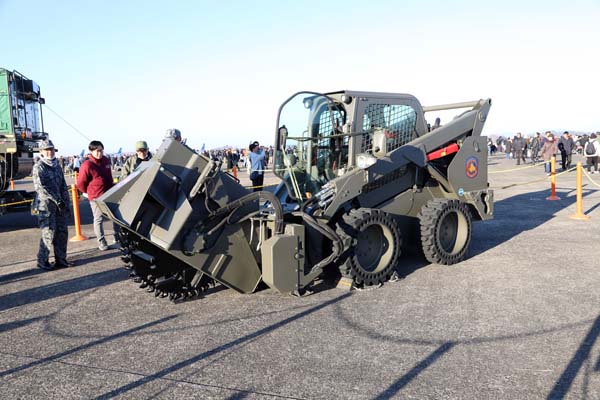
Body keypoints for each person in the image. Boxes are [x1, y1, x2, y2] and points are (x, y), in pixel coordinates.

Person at [32, 139, 73, 270]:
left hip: (60, 206)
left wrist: (66, 202)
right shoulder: (39, 167)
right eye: (47, 150)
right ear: (41, 152)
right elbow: (41, 188)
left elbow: (63, 185)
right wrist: (57, 199)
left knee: (62, 232)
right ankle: (42, 261)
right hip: (46, 206)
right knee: (48, 233)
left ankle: (61, 259)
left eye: (51, 149)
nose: (50, 152)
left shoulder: (57, 166)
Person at [77, 140, 116, 251]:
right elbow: (81, 183)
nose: (100, 153)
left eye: (101, 150)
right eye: (97, 151)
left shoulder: (106, 160)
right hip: (96, 197)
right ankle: (102, 242)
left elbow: (109, 176)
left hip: (110, 194)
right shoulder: (87, 165)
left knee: (116, 218)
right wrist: (89, 192)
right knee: (98, 219)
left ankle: (118, 238)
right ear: (91, 151)